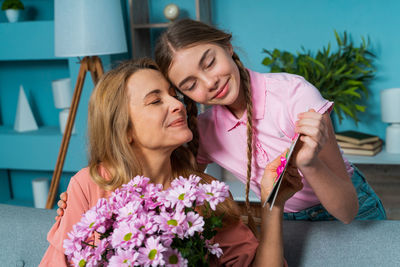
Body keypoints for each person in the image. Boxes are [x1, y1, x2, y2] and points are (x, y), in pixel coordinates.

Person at [41, 58, 302, 266]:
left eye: (172, 94)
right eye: (155, 101)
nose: (177, 104)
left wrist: (273, 204)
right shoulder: (89, 185)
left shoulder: (207, 193)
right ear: (125, 130)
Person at [152, 18, 387, 225]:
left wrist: (309, 163)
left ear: (227, 46)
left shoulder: (294, 94)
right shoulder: (204, 131)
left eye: (210, 63)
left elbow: (347, 212)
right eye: (191, 85)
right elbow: (182, 193)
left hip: (354, 209)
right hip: (290, 220)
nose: (209, 82)